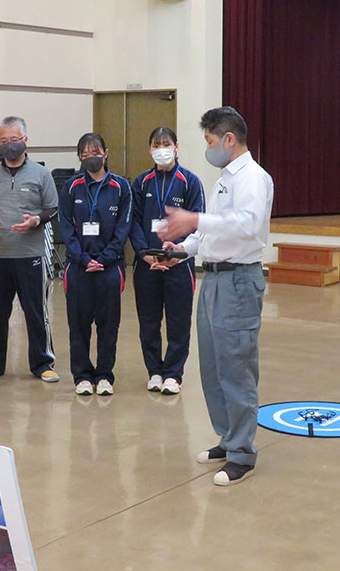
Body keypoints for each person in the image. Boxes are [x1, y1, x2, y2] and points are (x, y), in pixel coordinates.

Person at [158, 106, 273, 486]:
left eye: (209, 141)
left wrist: (194, 220)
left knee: (236, 366)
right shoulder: (224, 179)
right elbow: (210, 234)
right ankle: (227, 437)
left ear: (228, 139)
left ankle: (243, 452)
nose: (208, 149)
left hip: (239, 280)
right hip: (214, 279)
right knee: (212, 365)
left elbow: (246, 225)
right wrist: (180, 250)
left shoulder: (253, 178)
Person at [0, 116, 60, 382]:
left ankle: (43, 363)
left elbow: (52, 208)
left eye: (13, 140)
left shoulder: (41, 174)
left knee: (35, 312)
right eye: (3, 141)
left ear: (25, 140)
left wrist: (36, 220)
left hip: (30, 255)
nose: (9, 145)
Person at [129, 127, 205, 395]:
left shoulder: (190, 181)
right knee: (148, 320)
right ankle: (154, 371)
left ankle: (173, 374)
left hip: (179, 264)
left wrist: (178, 254)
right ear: (149, 149)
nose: (161, 148)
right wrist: (144, 253)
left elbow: (198, 224)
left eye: (166, 143)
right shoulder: (140, 183)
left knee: (178, 321)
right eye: (156, 144)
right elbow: (134, 223)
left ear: (176, 146)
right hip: (147, 264)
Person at [58, 133, 132, 396]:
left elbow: (123, 229)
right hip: (78, 268)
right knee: (78, 326)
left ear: (106, 152)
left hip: (110, 268)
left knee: (108, 325)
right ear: (80, 157)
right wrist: (83, 259)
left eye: (96, 151)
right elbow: (66, 228)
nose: (92, 156)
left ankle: (104, 375)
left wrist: (104, 259)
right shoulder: (71, 187)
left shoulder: (122, 187)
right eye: (86, 153)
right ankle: (82, 376)